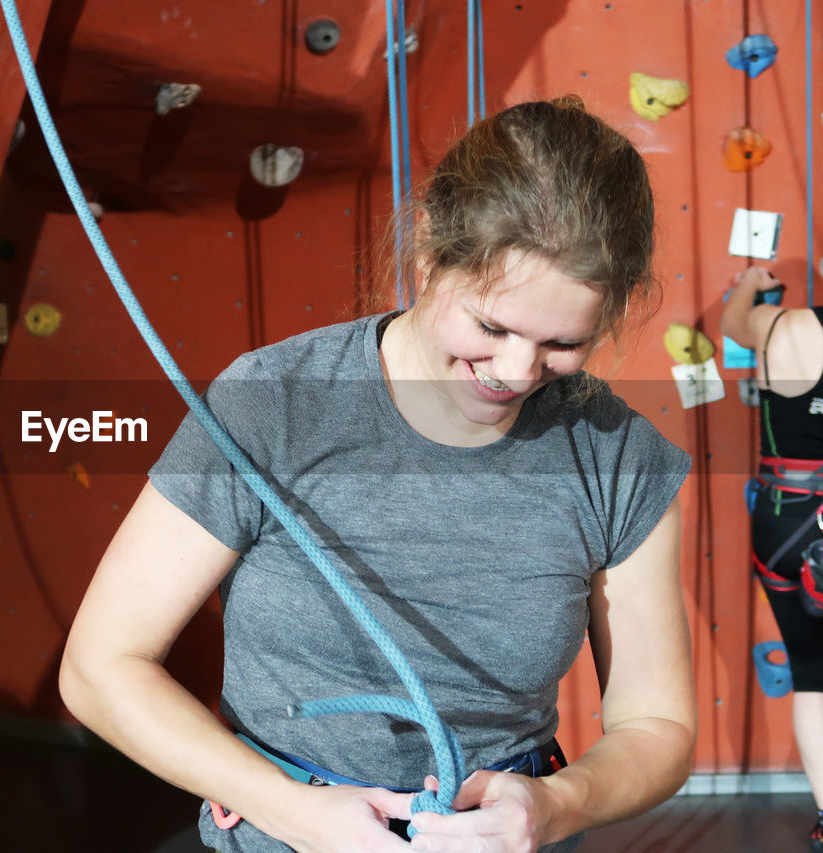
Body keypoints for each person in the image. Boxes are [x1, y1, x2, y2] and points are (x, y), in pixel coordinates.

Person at [59, 96, 696, 853]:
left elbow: (657, 723)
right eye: (491, 327)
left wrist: (557, 804)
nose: (520, 371)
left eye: (564, 343)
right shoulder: (277, 403)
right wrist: (289, 807)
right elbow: (101, 666)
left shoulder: (616, 455)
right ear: (429, 257)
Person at [721, 265, 823, 851]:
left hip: (789, 519)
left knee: (813, 674)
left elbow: (735, 323)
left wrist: (748, 283)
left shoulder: (787, 326)